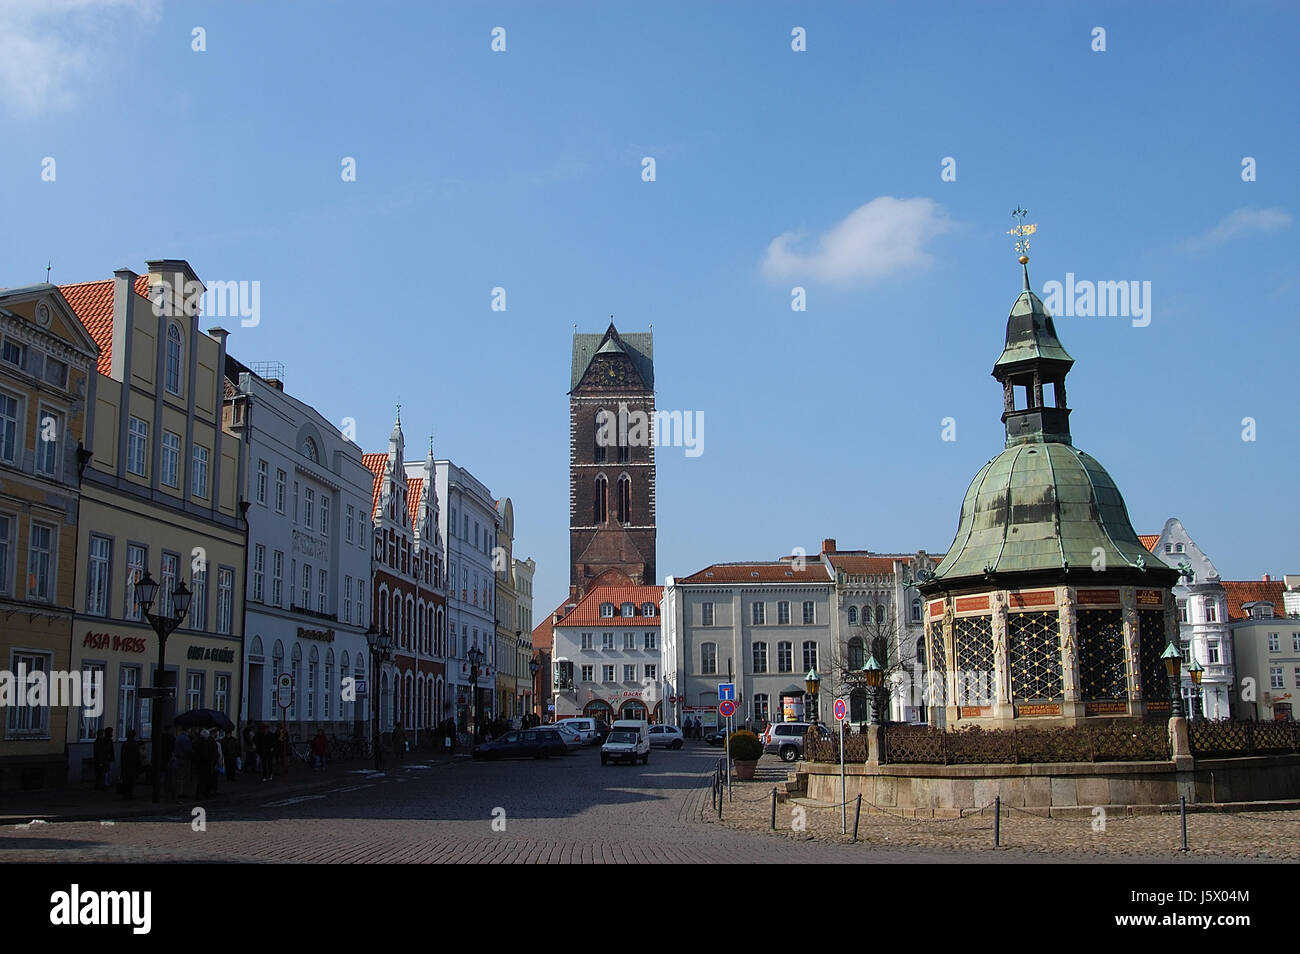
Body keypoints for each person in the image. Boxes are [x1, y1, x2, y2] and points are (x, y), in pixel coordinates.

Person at [118, 729, 140, 798]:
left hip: (126, 764)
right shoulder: (134, 744)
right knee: (131, 780)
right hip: (132, 764)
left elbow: (122, 755)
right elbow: (137, 755)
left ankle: (126, 794)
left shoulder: (125, 744)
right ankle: (129, 794)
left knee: (126, 779)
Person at [173, 726, 193, 800]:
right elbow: (188, 750)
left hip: (178, 758)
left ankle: (178, 791)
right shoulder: (186, 739)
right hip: (184, 759)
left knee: (179, 776)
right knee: (184, 776)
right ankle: (182, 792)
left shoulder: (178, 737)